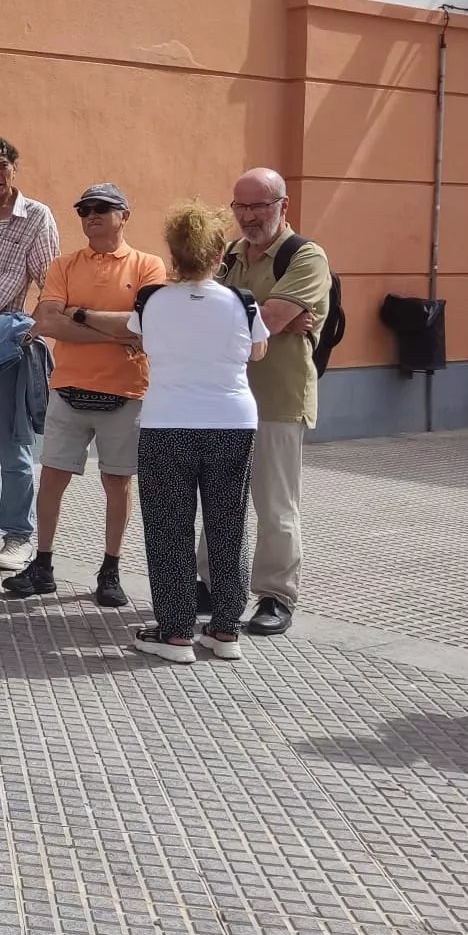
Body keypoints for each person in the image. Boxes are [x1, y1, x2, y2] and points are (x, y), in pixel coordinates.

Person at [3, 184, 166, 607]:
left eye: (102, 208)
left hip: (125, 390)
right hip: (68, 388)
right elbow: (47, 322)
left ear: (124, 215)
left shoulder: (148, 265)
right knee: (52, 477)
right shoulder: (63, 265)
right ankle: (42, 565)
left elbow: (146, 324)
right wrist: (118, 332)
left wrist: (78, 315)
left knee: (117, 481)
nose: (91, 215)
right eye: (84, 209)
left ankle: (110, 570)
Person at [121, 202, 269, 663]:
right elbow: (259, 351)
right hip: (232, 422)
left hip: (167, 421)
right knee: (229, 524)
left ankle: (176, 631)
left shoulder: (150, 300)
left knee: (169, 527)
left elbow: (138, 340)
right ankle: (225, 630)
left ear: (174, 253)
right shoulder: (243, 301)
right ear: (219, 253)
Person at [207, 168, 332, 636]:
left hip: (278, 398)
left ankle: (276, 595)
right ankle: (212, 584)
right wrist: (262, 313)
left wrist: (266, 316)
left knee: (275, 504)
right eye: (240, 206)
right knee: (219, 497)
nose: (248, 216)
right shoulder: (228, 255)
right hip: (224, 396)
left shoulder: (305, 256)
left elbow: (273, 319)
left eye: (259, 206)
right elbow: (206, 310)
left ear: (284, 205)